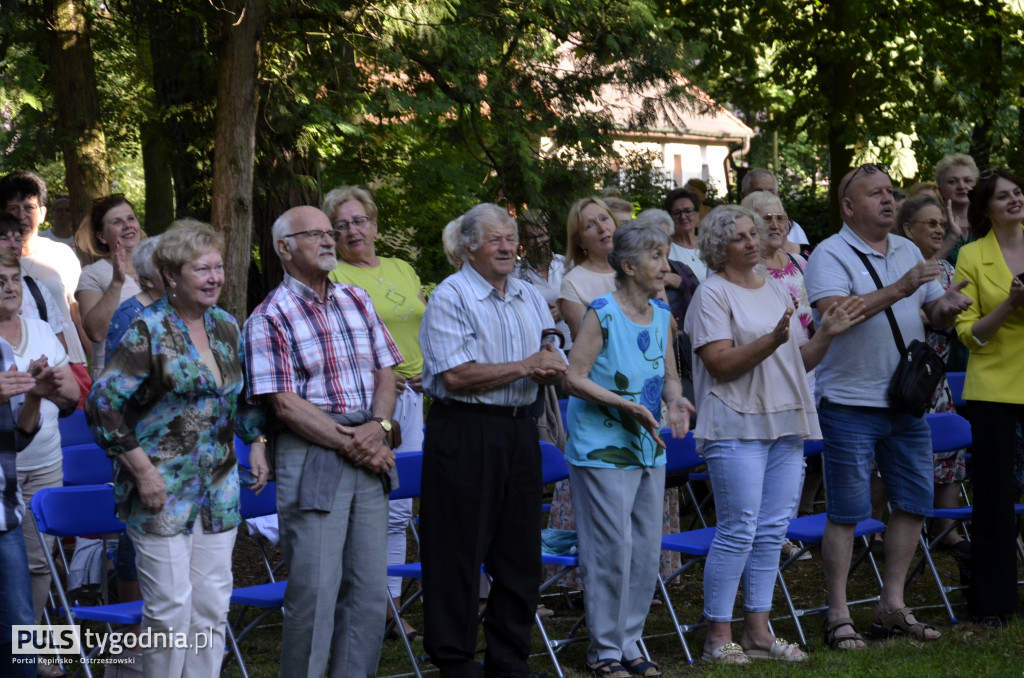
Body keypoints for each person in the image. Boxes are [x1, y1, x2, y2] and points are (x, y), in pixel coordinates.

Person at [86, 219, 267, 678]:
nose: (214, 278)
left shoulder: (227, 326)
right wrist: (142, 471)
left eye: (219, 267)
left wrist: (258, 442)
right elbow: (102, 405)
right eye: (201, 269)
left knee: (211, 607)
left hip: (220, 488)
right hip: (160, 489)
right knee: (168, 612)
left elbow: (241, 399)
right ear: (171, 275)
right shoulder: (146, 329)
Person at [803, 164, 972, 649]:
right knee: (847, 511)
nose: (887, 200)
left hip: (907, 400)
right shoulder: (829, 254)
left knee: (915, 502)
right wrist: (901, 288)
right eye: (874, 194)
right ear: (848, 206)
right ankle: (837, 614)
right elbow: (838, 315)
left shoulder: (906, 250)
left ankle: (890, 605)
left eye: (890, 193)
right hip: (850, 402)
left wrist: (946, 305)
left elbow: (933, 307)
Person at [684, 205, 862, 664]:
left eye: (753, 233)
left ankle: (758, 633)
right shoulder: (711, 294)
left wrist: (827, 333)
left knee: (771, 532)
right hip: (735, 423)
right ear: (718, 247)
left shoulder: (775, 288)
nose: (751, 242)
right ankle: (716, 638)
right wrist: (771, 340)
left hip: (784, 420)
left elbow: (796, 361)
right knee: (737, 530)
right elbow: (720, 364)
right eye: (739, 237)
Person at [243, 205, 401, 678]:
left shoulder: (357, 297)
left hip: (369, 445)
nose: (330, 240)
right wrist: (355, 441)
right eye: (314, 234)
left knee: (370, 591)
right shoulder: (268, 316)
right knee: (314, 593)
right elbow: (286, 405)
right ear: (284, 248)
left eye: (329, 233)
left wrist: (380, 428)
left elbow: (386, 371)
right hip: (313, 452)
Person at [419, 203, 566, 678]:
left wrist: (548, 355)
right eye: (495, 239)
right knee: (458, 553)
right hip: (465, 429)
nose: (507, 247)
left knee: (519, 554)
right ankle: (455, 663)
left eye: (511, 238)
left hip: (522, 428)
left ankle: (508, 662)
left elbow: (551, 344)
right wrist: (529, 365)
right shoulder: (451, 296)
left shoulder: (527, 293)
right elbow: (457, 375)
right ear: (468, 248)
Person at [563, 220, 693, 678]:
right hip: (602, 447)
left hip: (648, 444)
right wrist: (627, 406)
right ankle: (603, 651)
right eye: (657, 256)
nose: (666, 265)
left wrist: (676, 402)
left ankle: (630, 642)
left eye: (666, 254)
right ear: (629, 266)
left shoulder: (663, 315)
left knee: (643, 548)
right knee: (610, 549)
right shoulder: (602, 313)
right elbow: (572, 378)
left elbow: (671, 375)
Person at [322, 185, 427, 643]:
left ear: (374, 224)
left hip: (423, 397)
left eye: (359, 220)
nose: (352, 230)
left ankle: (391, 603)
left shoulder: (402, 267)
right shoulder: (334, 275)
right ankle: (377, 607)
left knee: (403, 508)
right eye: (341, 225)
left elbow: (423, 323)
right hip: (375, 399)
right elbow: (338, 337)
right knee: (376, 505)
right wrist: (381, 374)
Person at [953, 168, 1024, 625]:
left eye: (1017, 192)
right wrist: (1011, 305)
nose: (1015, 200)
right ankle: (993, 603)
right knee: (995, 498)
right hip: (993, 387)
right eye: (1003, 197)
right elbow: (969, 335)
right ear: (985, 210)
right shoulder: (971, 256)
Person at [0, 248, 79, 653]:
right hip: (3, 472)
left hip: (45, 458)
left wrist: (47, 383)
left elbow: (72, 397)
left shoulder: (41, 330)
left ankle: (29, 652)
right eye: (0, 281)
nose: (10, 287)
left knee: (37, 562)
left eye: (13, 278)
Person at [741, 190, 819, 559]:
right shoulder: (745, 270)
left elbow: (810, 313)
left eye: (780, 217)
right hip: (762, 370)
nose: (775, 223)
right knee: (762, 451)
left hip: (806, 366)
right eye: (765, 217)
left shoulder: (799, 262)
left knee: (795, 451)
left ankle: (782, 530)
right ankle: (758, 531)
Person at [893, 195, 968, 551]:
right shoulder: (892, 268)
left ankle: (947, 529)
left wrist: (948, 313)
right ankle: (876, 527)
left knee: (949, 454)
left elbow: (959, 318)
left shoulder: (948, 272)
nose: (938, 229)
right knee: (889, 457)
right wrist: (929, 313)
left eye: (941, 223)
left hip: (935, 378)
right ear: (908, 229)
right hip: (900, 377)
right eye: (930, 223)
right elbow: (892, 314)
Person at [0, 172, 89, 369]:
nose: (22, 216)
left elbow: (76, 310)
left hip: (69, 359)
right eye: (14, 208)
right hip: (16, 364)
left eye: (29, 208)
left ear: (42, 213)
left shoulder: (61, 253)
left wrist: (95, 357)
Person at [0, 340, 46, 678]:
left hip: (4, 516)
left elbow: (14, 439)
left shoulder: (1, 349)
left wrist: (34, 395)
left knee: (19, 636)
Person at [75, 194, 144, 376]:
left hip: (161, 380)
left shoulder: (158, 267)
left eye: (131, 218)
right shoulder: (93, 274)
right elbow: (96, 333)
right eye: (117, 222)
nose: (128, 225)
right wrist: (116, 283)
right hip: (115, 382)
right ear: (102, 237)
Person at [0, 214, 70, 352]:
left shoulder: (36, 288)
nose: (13, 245)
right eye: (4, 239)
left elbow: (60, 348)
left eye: (18, 240)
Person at [559, 196, 619, 339]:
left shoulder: (639, 266)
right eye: (590, 225)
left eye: (604, 218)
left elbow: (667, 325)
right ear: (580, 242)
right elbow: (587, 344)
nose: (602, 228)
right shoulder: (573, 284)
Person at [514, 211, 572, 347]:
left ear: (548, 235)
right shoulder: (515, 274)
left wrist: (564, 309)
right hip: (539, 350)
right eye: (531, 237)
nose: (538, 242)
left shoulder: (566, 264)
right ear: (522, 241)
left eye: (541, 235)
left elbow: (587, 300)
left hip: (574, 344)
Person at [106, 235, 165, 355]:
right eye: (164, 268)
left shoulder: (179, 304)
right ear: (147, 279)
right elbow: (118, 367)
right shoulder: (128, 315)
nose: (175, 273)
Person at [740, 168, 810, 252]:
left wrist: (784, 242)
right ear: (743, 196)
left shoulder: (794, 228)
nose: (765, 196)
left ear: (778, 195)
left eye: (770, 192)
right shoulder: (734, 230)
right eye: (758, 192)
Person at [934, 153, 979, 263]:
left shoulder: (987, 222)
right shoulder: (932, 224)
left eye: (967, 181)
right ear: (940, 190)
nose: (962, 186)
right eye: (952, 182)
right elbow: (927, 266)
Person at [662, 187, 707, 282]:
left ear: (697, 215)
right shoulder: (665, 248)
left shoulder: (708, 245)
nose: (683, 216)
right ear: (669, 217)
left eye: (688, 211)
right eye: (677, 213)